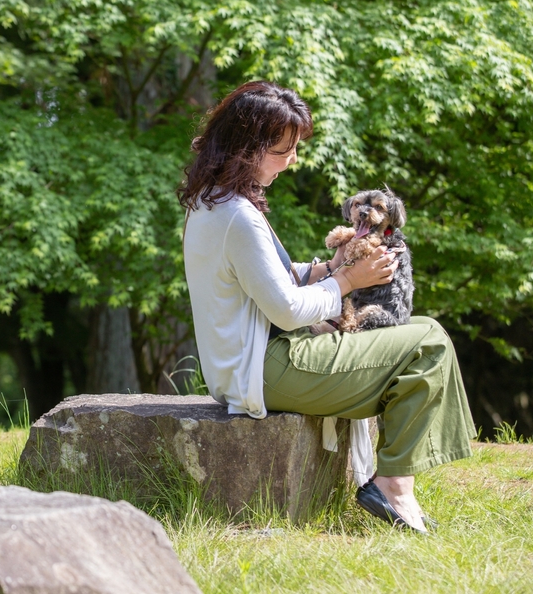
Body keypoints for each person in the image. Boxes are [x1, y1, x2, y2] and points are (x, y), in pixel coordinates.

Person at [179, 80, 476, 532]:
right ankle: (393, 485)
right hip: (267, 367)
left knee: (414, 332)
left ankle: (396, 479)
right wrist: (348, 280)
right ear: (247, 148)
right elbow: (285, 310)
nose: (293, 159)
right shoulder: (237, 216)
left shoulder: (212, 203)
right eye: (284, 150)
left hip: (248, 363)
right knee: (429, 340)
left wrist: (329, 268)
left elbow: (264, 280)